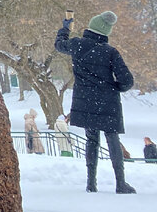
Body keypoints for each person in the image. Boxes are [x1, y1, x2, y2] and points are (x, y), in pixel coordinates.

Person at [55, 10, 135, 193]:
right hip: (108, 102)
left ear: (91, 27)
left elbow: (59, 45)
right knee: (112, 139)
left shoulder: (77, 45)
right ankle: (120, 183)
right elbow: (127, 81)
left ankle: (91, 183)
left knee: (91, 139)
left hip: (86, 101)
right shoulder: (111, 52)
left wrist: (65, 28)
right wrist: (114, 88)